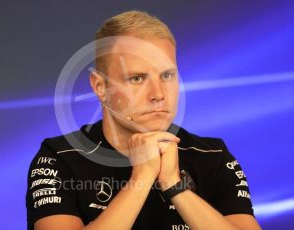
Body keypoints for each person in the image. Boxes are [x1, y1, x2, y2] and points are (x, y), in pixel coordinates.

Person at [26, 10, 261, 230]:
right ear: (100, 86)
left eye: (167, 76)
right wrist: (141, 177)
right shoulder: (58, 158)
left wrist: (175, 187)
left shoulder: (213, 156)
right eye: (137, 79)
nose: (158, 94)